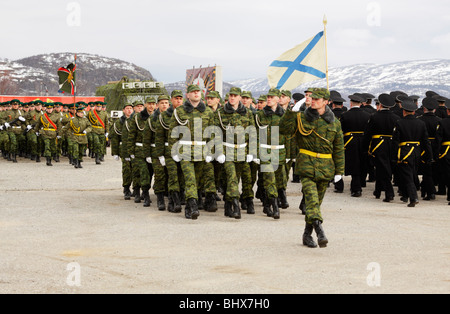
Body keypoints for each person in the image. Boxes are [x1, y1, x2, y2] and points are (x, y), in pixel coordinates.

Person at [280, 88, 344, 248]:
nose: (313, 101)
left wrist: (339, 171)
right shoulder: (301, 118)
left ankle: (307, 234)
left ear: (326, 102)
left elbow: (338, 148)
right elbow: (283, 130)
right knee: (312, 199)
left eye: (317, 99)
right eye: (311, 98)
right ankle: (320, 230)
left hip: (325, 167)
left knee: (315, 203)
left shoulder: (334, 123)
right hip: (306, 165)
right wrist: (290, 113)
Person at [168, 84, 216, 220]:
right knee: (190, 179)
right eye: (193, 92)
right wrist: (174, 152)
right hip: (185, 150)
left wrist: (211, 152)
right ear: (187, 95)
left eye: (198, 92)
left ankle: (195, 201)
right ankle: (191, 206)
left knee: (199, 180)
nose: (196, 94)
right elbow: (172, 133)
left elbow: (212, 134)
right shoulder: (179, 112)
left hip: (202, 151)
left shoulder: (208, 112)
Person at [214, 87, 257, 218]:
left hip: (242, 151)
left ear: (239, 97)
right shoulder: (221, 113)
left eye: (235, 95)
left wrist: (252, 152)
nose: (232, 98)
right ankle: (235, 204)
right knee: (232, 178)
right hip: (227, 150)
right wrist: (219, 152)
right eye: (230, 95)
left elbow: (252, 133)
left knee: (241, 178)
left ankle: (228, 206)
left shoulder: (248, 113)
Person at [392, 96, 432, 207]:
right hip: (417, 153)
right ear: (414, 111)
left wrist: (394, 156)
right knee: (410, 173)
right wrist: (429, 155)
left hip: (405, 152)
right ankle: (405, 195)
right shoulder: (421, 123)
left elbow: (395, 142)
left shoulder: (399, 123)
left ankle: (413, 197)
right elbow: (426, 141)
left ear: (404, 111)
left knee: (407, 175)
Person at [254, 88, 286, 219]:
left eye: (272, 97)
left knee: (279, 180)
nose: (269, 99)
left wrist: (291, 155)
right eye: (268, 97)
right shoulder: (259, 115)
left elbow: (289, 136)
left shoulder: (284, 115)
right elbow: (255, 135)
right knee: (269, 178)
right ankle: (274, 206)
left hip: (279, 151)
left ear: (278, 99)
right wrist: (255, 153)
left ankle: (267, 204)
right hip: (265, 150)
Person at [362, 93, 400, 202]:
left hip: (379, 145)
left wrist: (365, 148)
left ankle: (389, 193)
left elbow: (368, 133)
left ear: (380, 105)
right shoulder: (396, 118)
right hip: (392, 145)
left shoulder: (374, 116)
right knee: (381, 167)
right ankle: (377, 191)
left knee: (383, 168)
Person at [339, 94, 371, 197]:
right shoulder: (367, 115)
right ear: (361, 104)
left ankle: (356, 188)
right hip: (363, 141)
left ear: (351, 103)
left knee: (354, 164)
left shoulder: (345, 115)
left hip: (350, 142)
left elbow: (341, 130)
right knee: (362, 162)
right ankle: (360, 183)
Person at [128, 99, 153, 207]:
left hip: (152, 150)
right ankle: (141, 193)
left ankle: (144, 191)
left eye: (153, 104)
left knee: (150, 172)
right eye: (149, 104)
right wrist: (130, 151)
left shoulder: (157, 117)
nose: (151, 106)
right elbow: (131, 135)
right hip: (140, 149)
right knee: (141, 172)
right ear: (145, 105)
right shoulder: (137, 118)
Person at [417, 97, 441, 201]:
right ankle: (426, 189)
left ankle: (429, 191)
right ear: (435, 109)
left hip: (422, 148)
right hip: (435, 147)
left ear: (424, 108)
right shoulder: (439, 120)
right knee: (431, 170)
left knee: (426, 171)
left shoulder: (419, 120)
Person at [110, 103, 134, 200]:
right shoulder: (119, 122)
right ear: (123, 110)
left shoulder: (135, 120)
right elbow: (115, 138)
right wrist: (115, 152)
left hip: (135, 149)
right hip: (124, 150)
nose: (129, 110)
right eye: (127, 108)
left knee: (136, 170)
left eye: (131, 108)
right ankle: (126, 188)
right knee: (127, 170)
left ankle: (136, 189)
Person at [436, 98, 450, 205]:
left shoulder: (443, 122)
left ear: (448, 111)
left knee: (446, 172)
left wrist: (437, 152)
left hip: (446, 151)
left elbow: (439, 139)